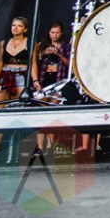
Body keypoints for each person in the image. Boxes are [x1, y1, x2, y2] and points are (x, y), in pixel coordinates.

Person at [0, 16, 39, 159]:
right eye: (13, 25)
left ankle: (27, 148)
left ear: (25, 29)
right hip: (5, 76)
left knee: (22, 110)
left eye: (19, 26)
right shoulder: (4, 43)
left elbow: (33, 62)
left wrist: (35, 80)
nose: (15, 28)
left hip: (21, 76)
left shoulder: (30, 43)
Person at [34, 22, 72, 154]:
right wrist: (44, 53)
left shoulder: (66, 46)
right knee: (40, 112)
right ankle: (39, 146)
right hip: (44, 79)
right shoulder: (41, 45)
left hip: (58, 80)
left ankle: (50, 145)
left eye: (57, 32)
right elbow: (34, 62)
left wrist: (59, 55)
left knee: (52, 112)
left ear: (61, 33)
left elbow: (70, 65)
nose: (55, 35)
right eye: (52, 32)